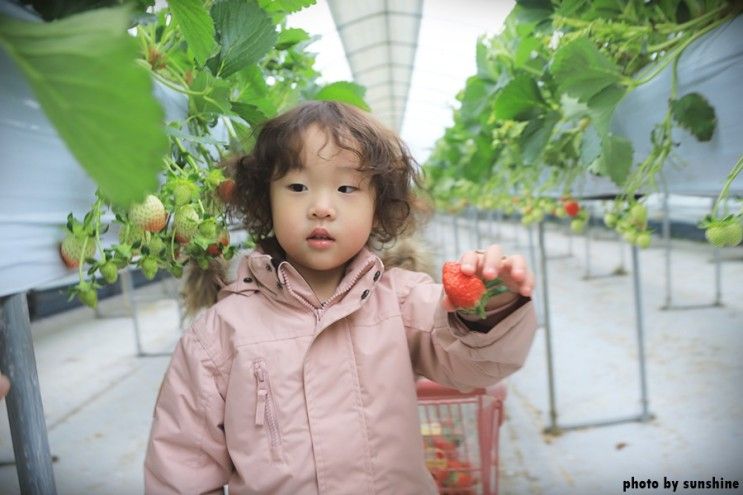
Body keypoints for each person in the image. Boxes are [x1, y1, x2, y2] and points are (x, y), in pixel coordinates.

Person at [144, 101, 538, 494]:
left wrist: (488, 307)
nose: (321, 208)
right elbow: (183, 468)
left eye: (347, 188)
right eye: (297, 187)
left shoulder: (400, 301)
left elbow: (475, 362)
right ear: (267, 201)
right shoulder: (219, 335)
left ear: (377, 208)